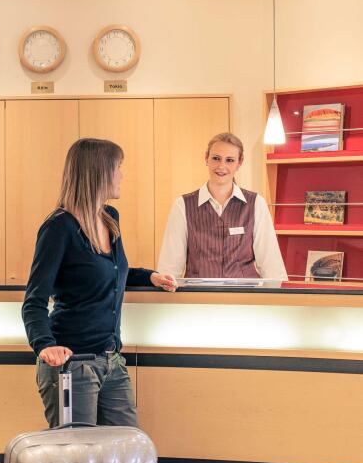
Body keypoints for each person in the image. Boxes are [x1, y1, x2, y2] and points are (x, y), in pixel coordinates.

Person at [22, 138, 176, 428]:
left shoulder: (109, 218)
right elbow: (34, 300)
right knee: (79, 452)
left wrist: (150, 276)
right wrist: (44, 345)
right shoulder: (59, 227)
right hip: (73, 364)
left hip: (111, 361)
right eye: (118, 168)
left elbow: (113, 271)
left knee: (127, 446)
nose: (122, 176)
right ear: (99, 172)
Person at [157, 132, 288, 281]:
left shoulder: (256, 204)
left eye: (230, 160)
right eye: (216, 158)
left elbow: (271, 265)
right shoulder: (183, 205)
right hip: (198, 294)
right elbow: (170, 267)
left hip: (245, 294)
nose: (221, 166)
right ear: (206, 158)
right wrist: (165, 287)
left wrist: (280, 293)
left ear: (240, 162)